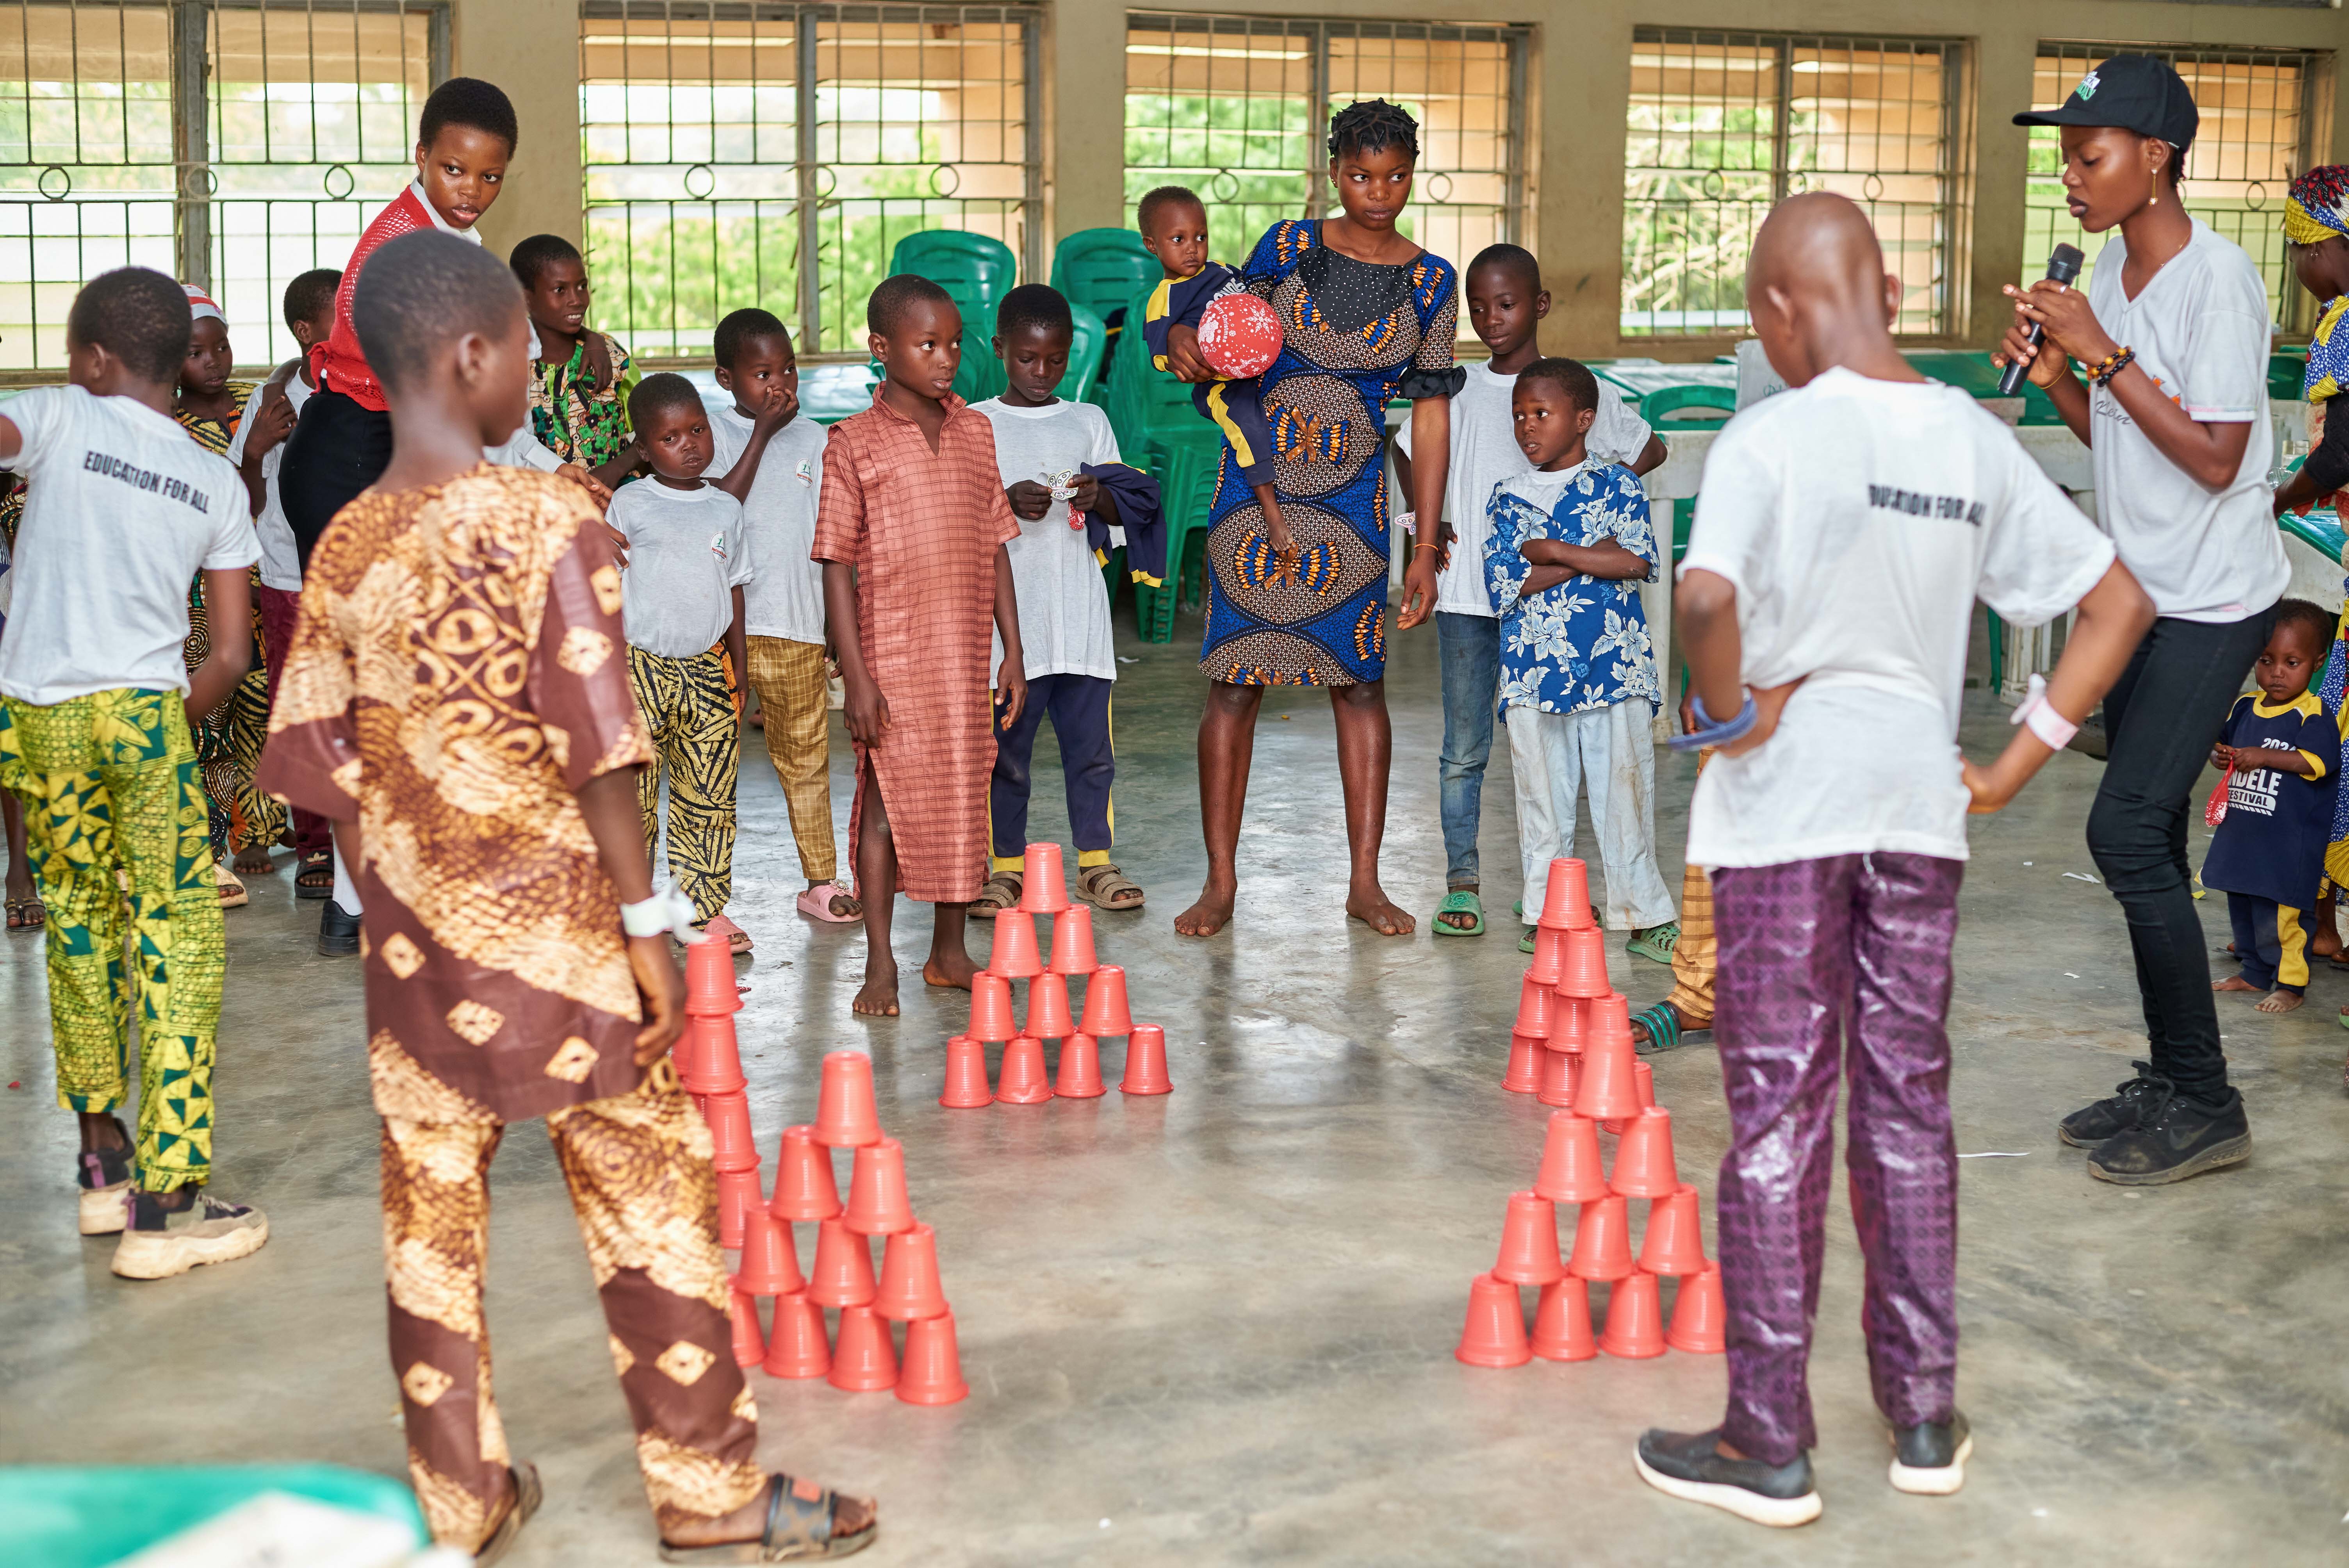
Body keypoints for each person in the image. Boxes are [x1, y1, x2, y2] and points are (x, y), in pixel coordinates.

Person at [256, 230, 877, 1562]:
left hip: (413, 960)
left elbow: (321, 769)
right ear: (473, 357)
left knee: (430, 1233)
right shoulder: (549, 520)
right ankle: (707, 1490)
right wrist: (648, 926)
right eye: (525, 363)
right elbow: (599, 749)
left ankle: (461, 1496)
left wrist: (396, 916)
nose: (536, 381)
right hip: (563, 942)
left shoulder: (348, 541)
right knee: (649, 1192)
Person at [1634, 192, 2152, 1527]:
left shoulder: (1768, 437)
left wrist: (1729, 715)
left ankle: (1769, 1440)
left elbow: (1704, 597)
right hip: (1918, 812)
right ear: (1884, 291)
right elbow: (2117, 604)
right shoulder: (1971, 437)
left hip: (1781, 822)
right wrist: (2012, 764)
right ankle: (1922, 1418)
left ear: (1776, 311)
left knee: (1777, 1113)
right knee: (1907, 1103)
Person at [2002, 53, 2285, 1185]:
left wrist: (2101, 350)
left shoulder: (2218, 281)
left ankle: (2208, 1101)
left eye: (2089, 156)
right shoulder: (2112, 273)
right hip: (2139, 595)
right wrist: (2057, 372)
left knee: (2121, 832)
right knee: (2151, 836)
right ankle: (2171, 1078)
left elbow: (2214, 459)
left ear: (2156, 156)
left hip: (2213, 598)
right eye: (2066, 158)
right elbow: (2117, 431)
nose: (2069, 177)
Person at [0, 266, 270, 1278]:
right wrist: (159, 722)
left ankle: (102, 1167)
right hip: (146, 718)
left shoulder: (59, 416)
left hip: (38, 719)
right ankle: (169, 1206)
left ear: (93, 358)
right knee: (177, 937)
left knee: (78, 924)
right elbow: (231, 655)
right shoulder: (214, 482)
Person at [1166, 98, 1460, 939]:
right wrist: (1184, 339)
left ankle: (1365, 883)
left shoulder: (1433, 284)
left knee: (1359, 682)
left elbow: (1430, 419)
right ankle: (1220, 881)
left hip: (1356, 502)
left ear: (1412, 174)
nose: (1379, 193)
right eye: (1361, 176)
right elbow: (1220, 328)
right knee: (1235, 680)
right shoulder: (1286, 248)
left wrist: (1425, 541)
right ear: (1334, 172)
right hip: (1255, 491)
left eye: (1395, 177)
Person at [1391, 242, 1669, 941]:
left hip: (1560, 613)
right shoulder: (1454, 389)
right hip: (1469, 590)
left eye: (1507, 304)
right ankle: (1462, 884)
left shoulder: (1578, 387)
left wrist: (1591, 505)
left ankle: (1563, 898)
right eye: (1478, 307)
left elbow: (1649, 450)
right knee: (1466, 748)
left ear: (1539, 305)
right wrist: (1427, 520)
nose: (1491, 318)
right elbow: (1405, 450)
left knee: (1566, 752)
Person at [815, 274, 1026, 1016]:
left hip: (964, 656)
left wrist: (1014, 650)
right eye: (927, 344)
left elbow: (996, 542)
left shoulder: (976, 431)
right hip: (893, 658)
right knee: (887, 807)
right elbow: (835, 564)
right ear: (882, 348)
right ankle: (881, 962)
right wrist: (858, 677)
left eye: (954, 344)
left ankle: (948, 952)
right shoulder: (852, 443)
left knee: (963, 798)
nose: (946, 359)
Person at [1479, 357, 1676, 955]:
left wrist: (1553, 552)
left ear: (1584, 420)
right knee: (1541, 797)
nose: (1527, 426)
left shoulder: (1618, 485)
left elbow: (1635, 561)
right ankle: (1549, 913)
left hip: (1614, 666)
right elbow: (1505, 582)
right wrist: (1591, 554)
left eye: (1542, 413)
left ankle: (1644, 916)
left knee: (1625, 792)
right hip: (1533, 672)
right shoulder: (1508, 498)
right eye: (1520, 415)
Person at [278, 76, 519, 565]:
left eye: (490, 177)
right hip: (351, 459)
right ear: (421, 156)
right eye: (454, 170)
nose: (471, 190)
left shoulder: (441, 235)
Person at [971, 283, 1155, 916]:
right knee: (1005, 757)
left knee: (1092, 755)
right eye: (1027, 358)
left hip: (1080, 623)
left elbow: (1125, 512)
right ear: (1000, 349)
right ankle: (1004, 868)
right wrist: (1003, 502)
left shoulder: (1087, 420)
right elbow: (958, 517)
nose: (1041, 372)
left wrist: (1098, 497)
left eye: (1055, 359)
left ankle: (1096, 863)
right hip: (1008, 635)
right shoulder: (976, 425)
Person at [610, 372, 787, 955]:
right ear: (644, 447)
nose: (689, 445)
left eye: (698, 430)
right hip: (638, 669)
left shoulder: (725, 508)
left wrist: (740, 668)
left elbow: (734, 587)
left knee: (709, 797)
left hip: (709, 671)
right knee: (633, 801)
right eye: (670, 438)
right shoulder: (630, 502)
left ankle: (701, 909)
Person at [705, 306, 860, 926]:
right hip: (722, 634)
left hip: (798, 628)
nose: (780, 385)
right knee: (709, 770)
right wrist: (763, 435)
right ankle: (707, 903)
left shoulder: (816, 439)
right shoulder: (710, 436)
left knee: (807, 761)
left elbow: (835, 536)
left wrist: (837, 625)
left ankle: (820, 882)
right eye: (763, 374)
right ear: (726, 379)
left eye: (789, 370)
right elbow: (714, 512)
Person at [225, 268, 343, 923]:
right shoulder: (272, 402)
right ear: (306, 331)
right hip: (290, 579)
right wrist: (256, 450)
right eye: (342, 317)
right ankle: (316, 842)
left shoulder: (375, 391)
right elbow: (243, 502)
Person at [173, 285, 281, 901]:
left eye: (221, 347)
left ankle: (258, 831)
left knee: (265, 712)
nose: (213, 362)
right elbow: (202, 513)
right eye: (195, 353)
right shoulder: (167, 428)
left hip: (272, 580)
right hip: (203, 596)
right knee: (210, 722)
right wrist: (253, 452)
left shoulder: (259, 400)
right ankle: (209, 847)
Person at [2271, 167, 2349, 981]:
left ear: (2326, 248)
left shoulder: (2345, 321)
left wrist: (2273, 502)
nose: (2298, 268)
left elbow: (2336, 455)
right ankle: (2319, 923)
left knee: (2329, 739)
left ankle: (2319, 922)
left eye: (2300, 250)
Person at [1135, 185, 1289, 558]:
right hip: (1222, 386)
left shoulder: (1221, 270)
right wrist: (1184, 352)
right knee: (1249, 426)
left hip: (1260, 367)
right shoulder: (1166, 297)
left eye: (1200, 237)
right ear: (1152, 245)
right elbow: (1160, 352)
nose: (1193, 248)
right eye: (1179, 239)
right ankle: (1272, 511)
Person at [2203, 599, 2338, 1014]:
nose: (2277, 672)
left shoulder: (2312, 715)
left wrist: (2262, 756)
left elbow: (2318, 762)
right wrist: (2221, 755)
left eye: (2292, 662)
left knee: (2284, 918)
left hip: (2285, 845)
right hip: (2244, 835)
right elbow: (2222, 743)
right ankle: (2253, 972)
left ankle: (2291, 984)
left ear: (2317, 663)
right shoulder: (2245, 706)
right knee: (2244, 907)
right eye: (2266, 660)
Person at [511, 231, 643, 492]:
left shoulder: (611, 355)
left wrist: (617, 469)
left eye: (582, 286)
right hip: (543, 501)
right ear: (525, 298)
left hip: (619, 496)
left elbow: (654, 428)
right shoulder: (510, 364)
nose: (576, 300)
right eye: (560, 290)